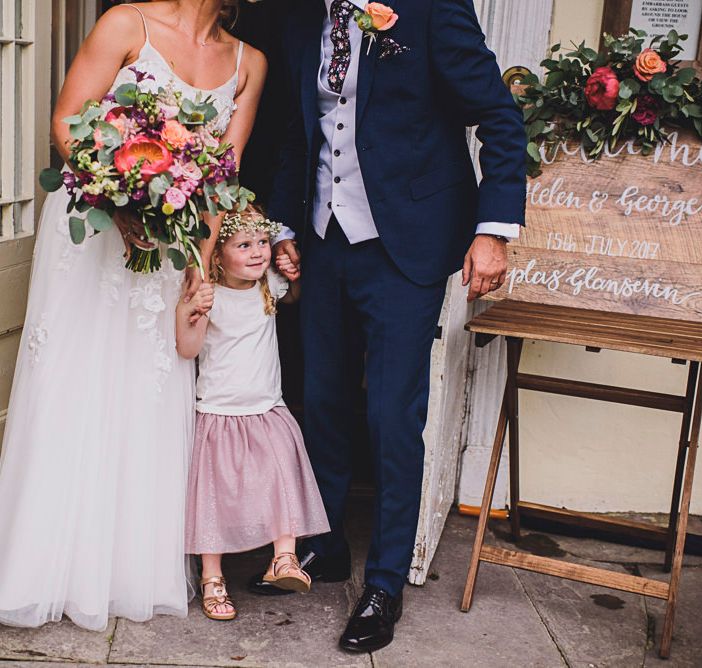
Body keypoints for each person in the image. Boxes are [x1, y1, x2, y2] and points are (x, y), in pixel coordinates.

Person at [250, 0, 526, 653]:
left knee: (392, 414)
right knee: (322, 401)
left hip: (410, 243)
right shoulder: (298, 19)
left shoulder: (431, 11)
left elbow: (498, 116)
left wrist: (494, 230)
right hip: (324, 239)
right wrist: (286, 224)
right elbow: (301, 130)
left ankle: (385, 581)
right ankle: (323, 546)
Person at [0, 1, 266, 630]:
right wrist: (115, 198)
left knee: (147, 394)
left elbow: (222, 178)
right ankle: (44, 565)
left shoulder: (250, 64)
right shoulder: (126, 24)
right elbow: (66, 122)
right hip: (92, 238)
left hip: (168, 249)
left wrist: (200, 268)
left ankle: (125, 571)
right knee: (76, 383)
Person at [176, 205, 329, 621]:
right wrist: (190, 311)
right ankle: (212, 575)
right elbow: (188, 349)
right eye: (244, 245)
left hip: (267, 408)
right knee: (214, 496)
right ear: (217, 254)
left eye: (262, 242)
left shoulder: (269, 287)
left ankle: (284, 557)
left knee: (280, 477)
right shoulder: (210, 294)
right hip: (220, 412)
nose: (258, 252)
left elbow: (295, 295)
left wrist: (290, 270)